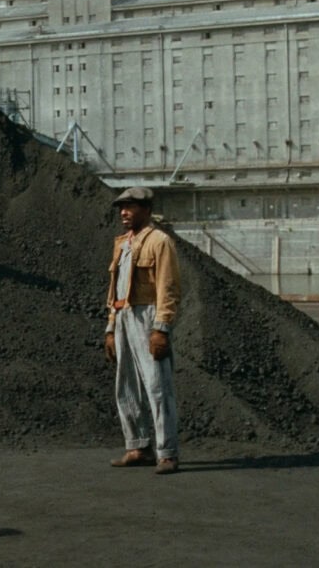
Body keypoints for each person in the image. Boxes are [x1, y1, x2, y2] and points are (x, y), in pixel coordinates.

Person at [102, 186, 182, 475]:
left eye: (131, 206)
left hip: (147, 316)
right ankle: (138, 446)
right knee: (126, 386)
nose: (124, 212)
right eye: (121, 207)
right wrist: (111, 328)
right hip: (124, 316)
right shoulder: (123, 244)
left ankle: (167, 453)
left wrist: (161, 328)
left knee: (158, 387)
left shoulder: (160, 242)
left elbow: (168, 288)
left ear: (146, 210)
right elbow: (115, 290)